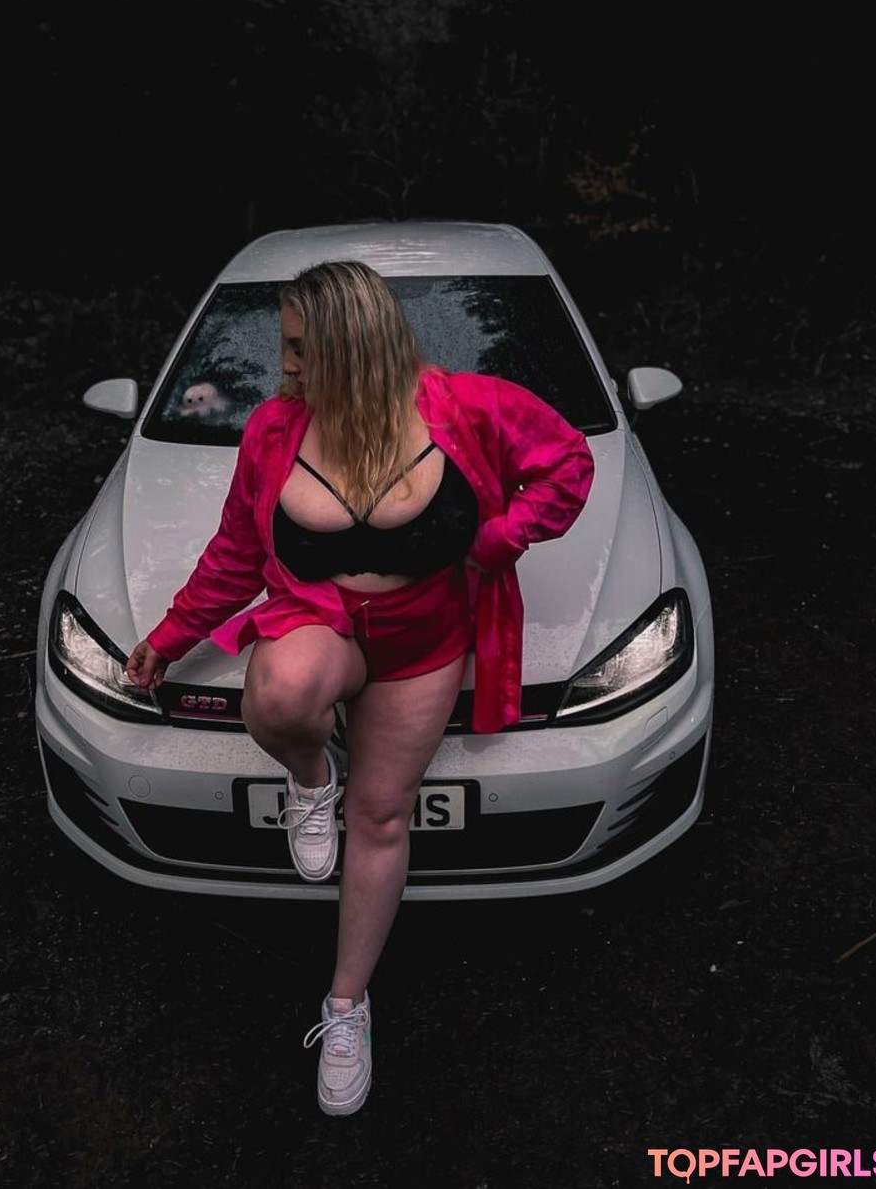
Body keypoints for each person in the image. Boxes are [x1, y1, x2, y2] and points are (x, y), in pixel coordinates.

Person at [126, 260, 594, 1116]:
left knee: (380, 817)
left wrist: (499, 539)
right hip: (321, 620)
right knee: (279, 696)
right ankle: (312, 782)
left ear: (357, 348)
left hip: (425, 641)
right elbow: (236, 554)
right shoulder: (274, 429)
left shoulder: (470, 408)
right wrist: (168, 636)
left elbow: (567, 463)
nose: (285, 367)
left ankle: (346, 1006)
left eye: (302, 350)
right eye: (286, 347)